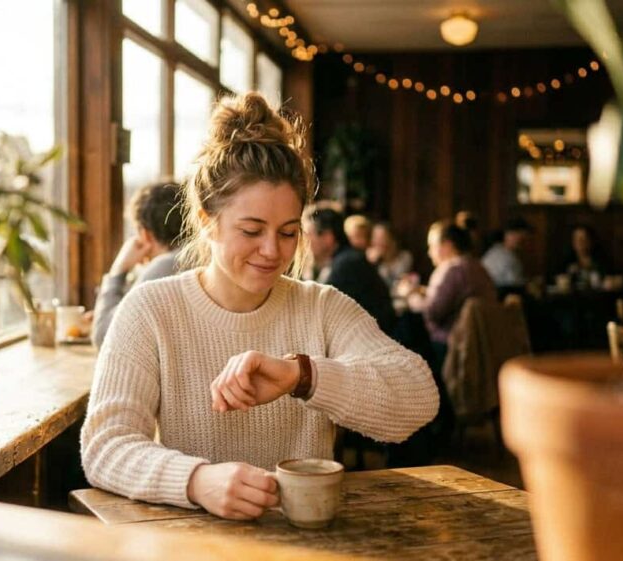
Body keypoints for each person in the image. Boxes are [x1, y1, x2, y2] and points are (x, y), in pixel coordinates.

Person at [81, 92, 438, 521]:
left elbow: (418, 399)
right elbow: (105, 446)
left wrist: (302, 375)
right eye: (252, 230)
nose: (272, 251)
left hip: (307, 543)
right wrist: (196, 481)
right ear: (207, 220)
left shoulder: (320, 308)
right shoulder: (151, 308)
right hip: (194, 544)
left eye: (288, 233)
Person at [91, 182, 185, 347]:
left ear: (145, 235)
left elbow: (104, 337)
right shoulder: (196, 258)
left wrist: (118, 270)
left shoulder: (166, 265)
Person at [409, 221, 497, 357]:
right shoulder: (477, 266)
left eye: (432, 246)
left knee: (404, 331)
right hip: (482, 344)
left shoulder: (452, 269)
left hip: (451, 347)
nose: (429, 253)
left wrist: (410, 296)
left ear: (447, 246)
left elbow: (433, 312)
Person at [306, 207, 395, 333]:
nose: (303, 241)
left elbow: (319, 312)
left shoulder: (347, 264)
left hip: (375, 344)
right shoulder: (344, 259)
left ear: (327, 237)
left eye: (308, 234)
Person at [482, 217, 531, 288]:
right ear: (510, 234)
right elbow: (515, 285)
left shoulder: (495, 250)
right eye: (522, 239)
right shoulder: (507, 257)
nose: (525, 243)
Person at [367, 221, 413, 288]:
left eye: (381, 238)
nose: (377, 242)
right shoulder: (370, 260)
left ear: (392, 239)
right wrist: (370, 264)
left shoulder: (405, 257)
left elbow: (396, 284)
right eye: (375, 237)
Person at [562, 225, 607, 290]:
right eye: (577, 239)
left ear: (591, 241)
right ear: (573, 243)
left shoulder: (601, 261)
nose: (580, 243)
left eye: (584, 239)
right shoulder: (566, 262)